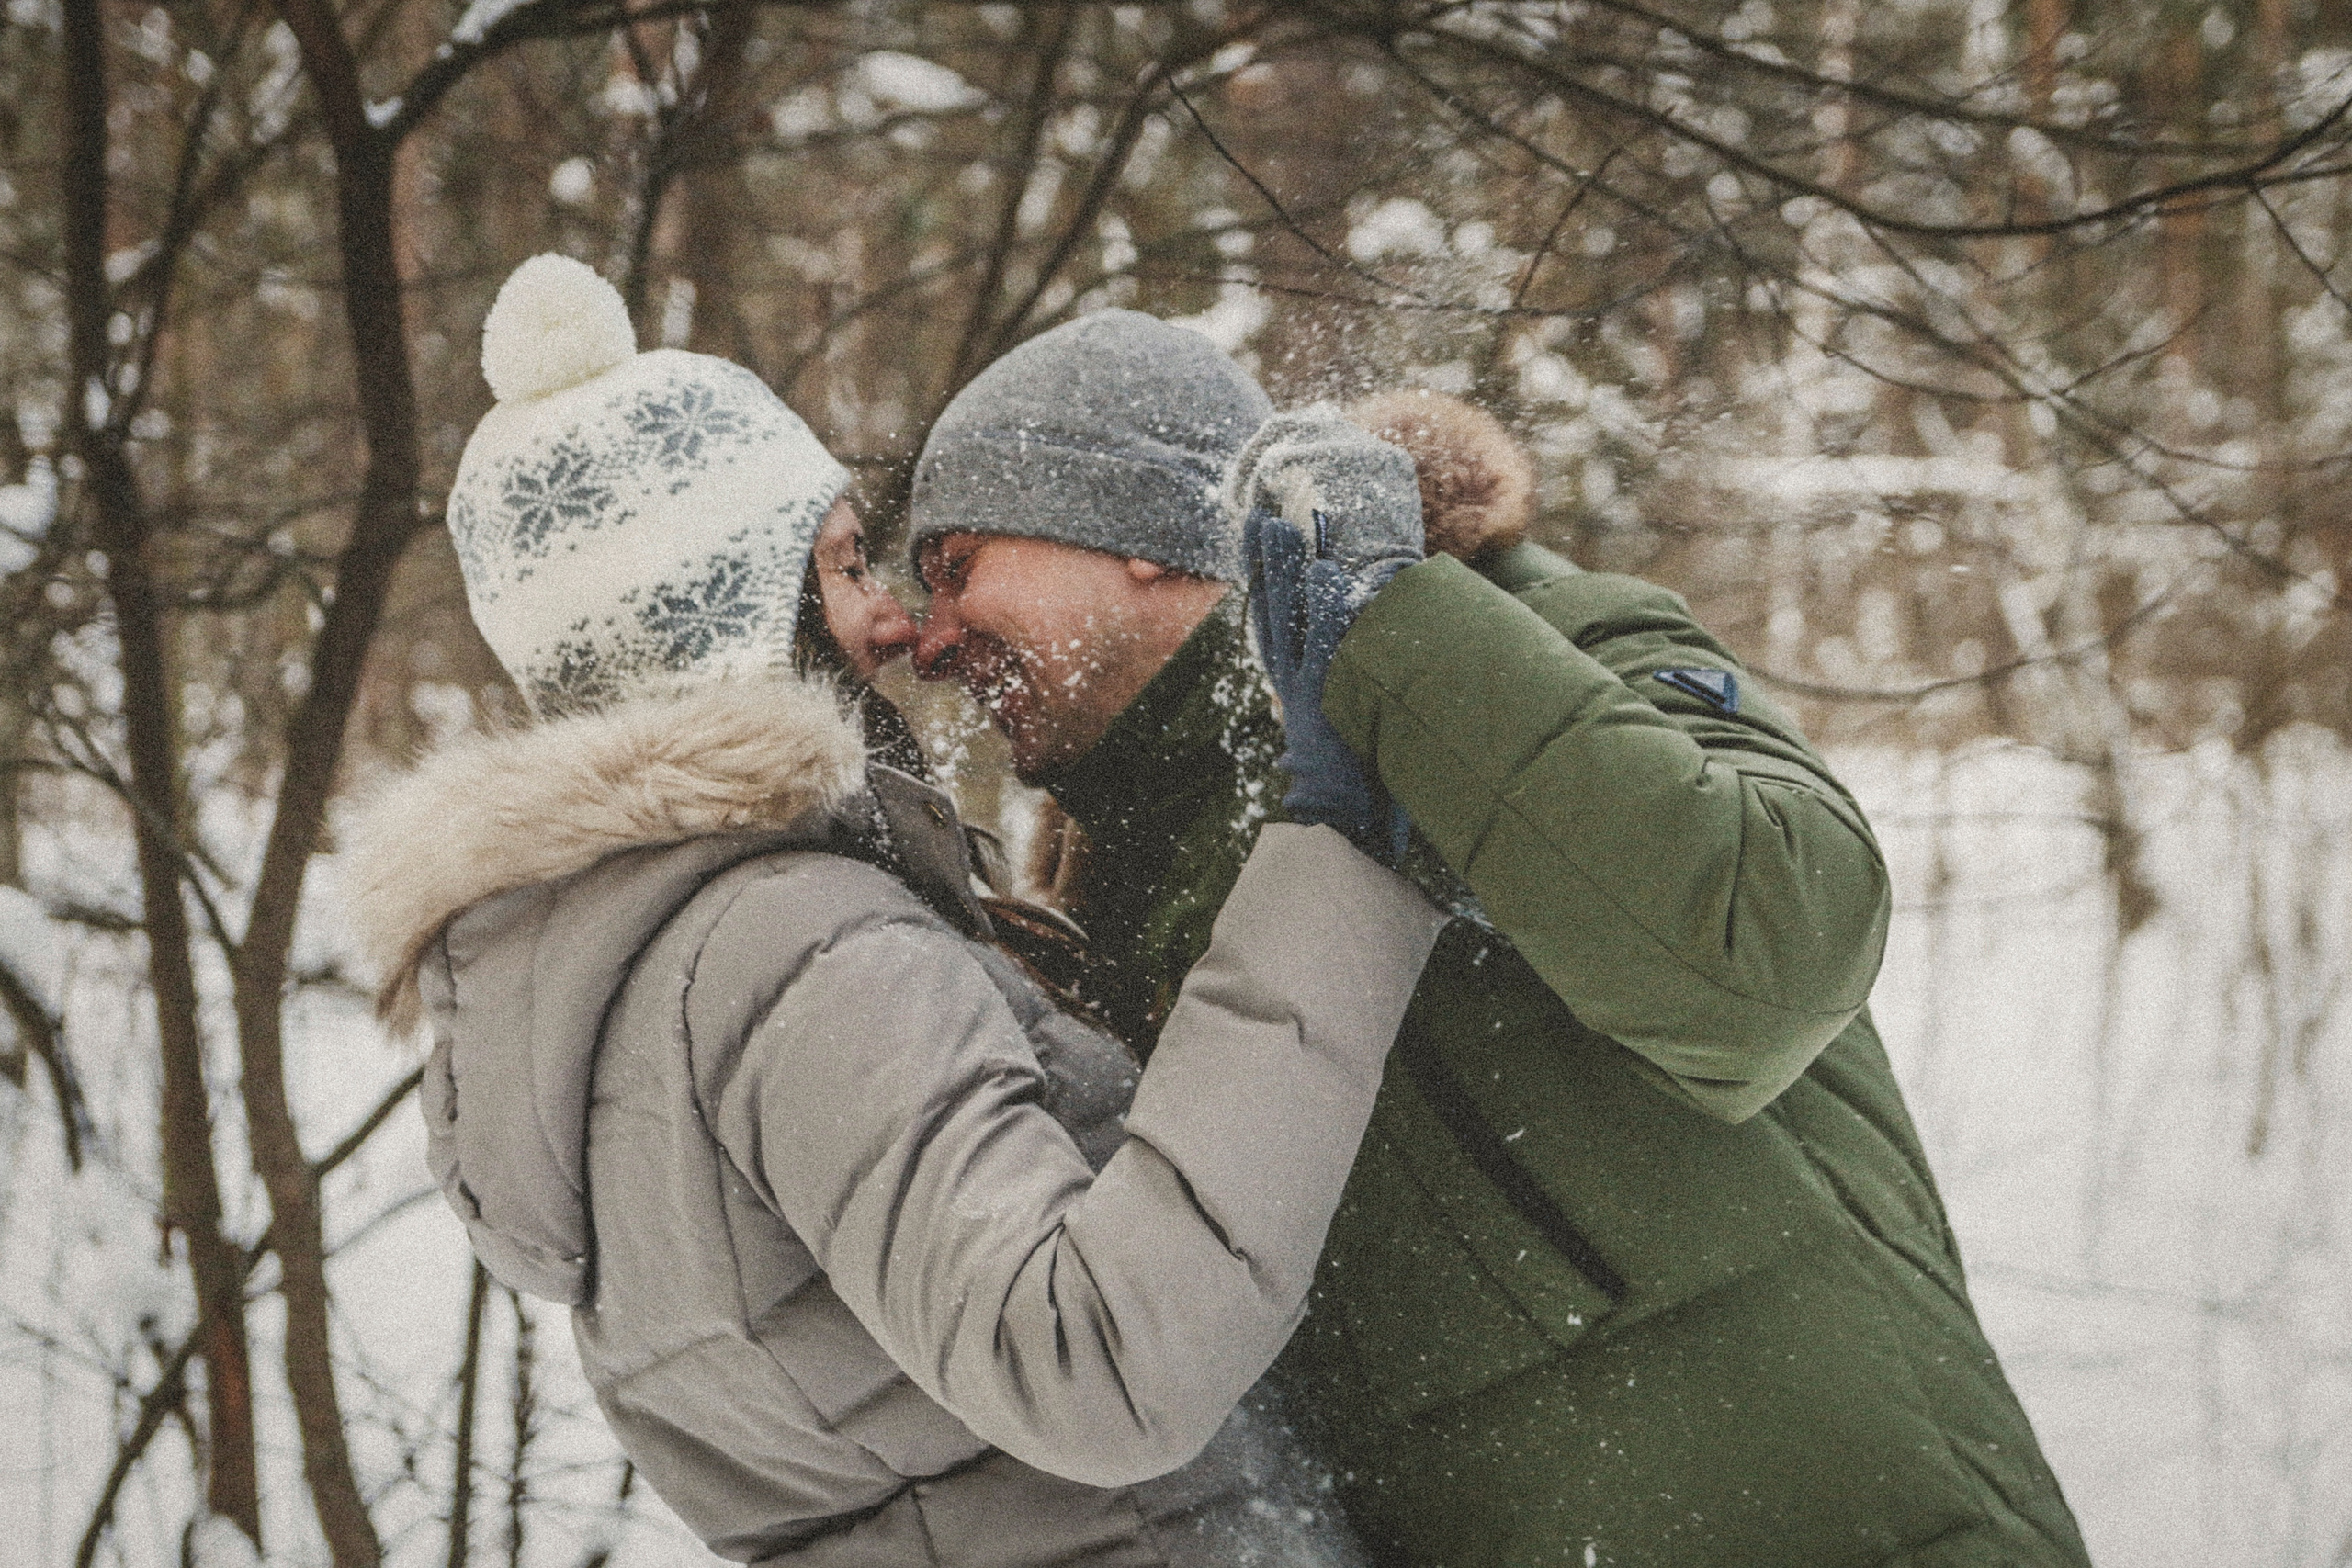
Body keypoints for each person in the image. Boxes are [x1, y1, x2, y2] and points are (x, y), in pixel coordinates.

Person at [906, 311, 2095, 1568]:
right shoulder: (1116, 904)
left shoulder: (1538, 628)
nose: (930, 640)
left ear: (1144, 535)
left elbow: (1772, 948)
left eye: (959, 565)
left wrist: (1388, 635)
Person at [345, 256, 1451, 1566]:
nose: (892, 622)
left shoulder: (616, 984)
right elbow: (1096, 1360)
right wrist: (1340, 850)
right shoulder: (786, 946)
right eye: (843, 564)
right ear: (722, 614)